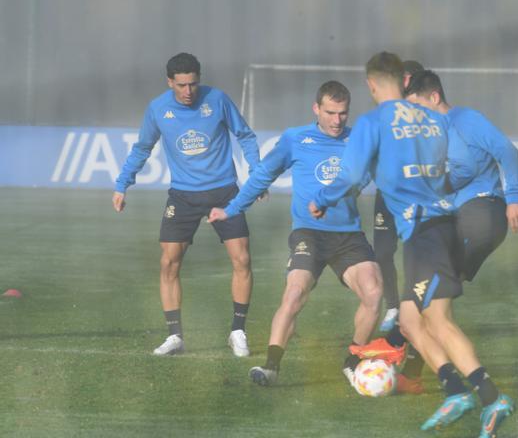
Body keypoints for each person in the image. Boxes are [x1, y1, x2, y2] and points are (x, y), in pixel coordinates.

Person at [310, 52, 513, 437]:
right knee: (408, 319)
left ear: (372, 86)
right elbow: (458, 168)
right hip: (448, 223)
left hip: (424, 232)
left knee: (438, 320)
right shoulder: (435, 120)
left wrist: (322, 198)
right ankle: (455, 390)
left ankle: (487, 395)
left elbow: (352, 174)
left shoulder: (374, 122)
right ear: (403, 83)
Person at [207, 80, 382, 387]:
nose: (337, 120)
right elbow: (263, 174)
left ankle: (352, 362)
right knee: (294, 293)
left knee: (374, 293)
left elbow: (373, 174)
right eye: (330, 112)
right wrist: (232, 209)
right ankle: (271, 368)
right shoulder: (296, 139)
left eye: (343, 113)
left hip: (349, 235)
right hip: (309, 233)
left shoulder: (359, 141)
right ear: (316, 109)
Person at [112, 52, 260, 357]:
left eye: (193, 84)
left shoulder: (217, 100)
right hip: (183, 195)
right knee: (168, 262)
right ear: (170, 82)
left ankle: (237, 331)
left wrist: (257, 174)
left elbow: (244, 135)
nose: (188, 91)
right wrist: (122, 183)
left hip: (225, 192)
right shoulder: (157, 109)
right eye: (181, 85)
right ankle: (175, 337)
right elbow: (142, 148)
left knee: (242, 259)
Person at [393, 69, 518, 393]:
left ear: (434, 97)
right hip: (461, 220)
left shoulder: (467, 120)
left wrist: (513, 198)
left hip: (481, 214)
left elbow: (506, 151)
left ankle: (474, 390)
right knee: (420, 305)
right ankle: (415, 371)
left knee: (428, 304)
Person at [374, 59, 426, 333]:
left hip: (417, 194)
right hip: (387, 193)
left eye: (408, 79)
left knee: (416, 254)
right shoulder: (386, 110)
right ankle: (393, 305)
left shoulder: (426, 114)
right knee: (382, 252)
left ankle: (413, 307)